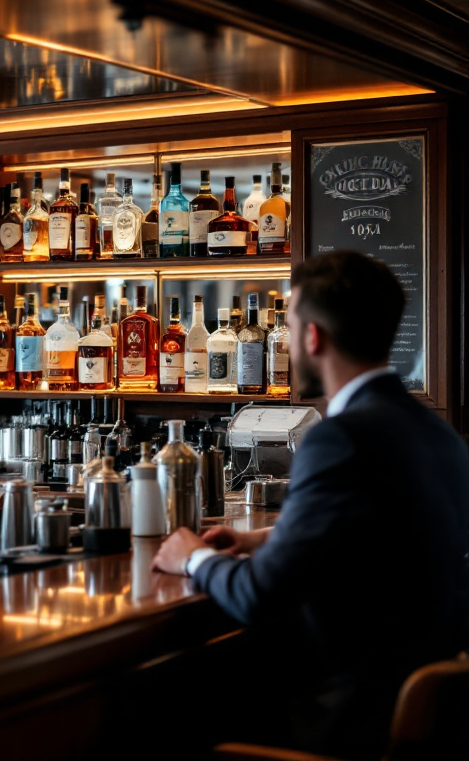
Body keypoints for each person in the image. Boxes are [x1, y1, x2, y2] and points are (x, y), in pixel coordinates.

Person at [153, 251, 469, 760]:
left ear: (313, 337)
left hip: (346, 719)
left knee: (163, 704)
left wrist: (192, 556)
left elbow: (258, 595)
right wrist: (265, 539)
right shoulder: (440, 435)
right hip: (426, 708)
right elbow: (384, 536)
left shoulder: (340, 437)